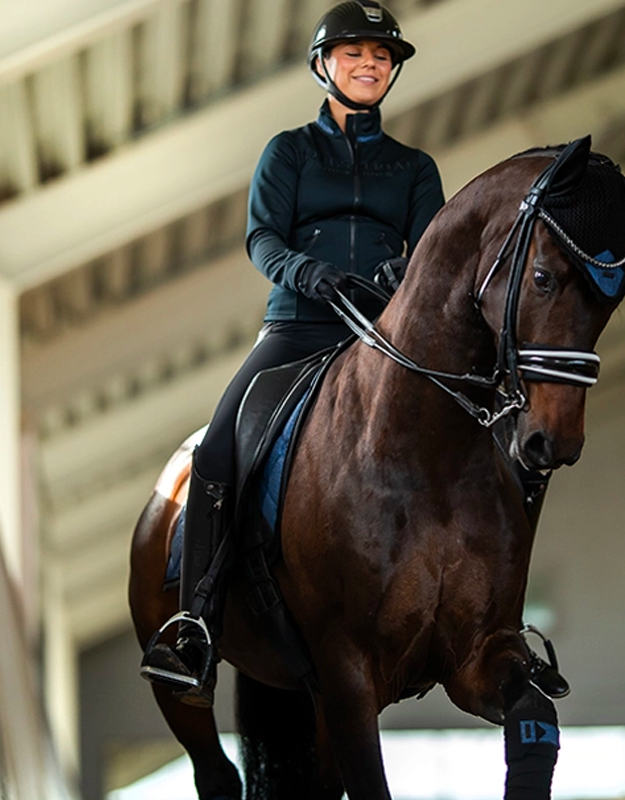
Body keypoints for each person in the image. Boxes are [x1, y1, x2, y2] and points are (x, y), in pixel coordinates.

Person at [140, 0, 446, 706]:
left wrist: (402, 278)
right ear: (323, 66)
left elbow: (431, 251)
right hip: (298, 326)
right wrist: (306, 272)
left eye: (381, 56)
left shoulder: (415, 167)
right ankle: (197, 623)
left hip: (380, 333)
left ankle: (487, 614)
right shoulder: (287, 152)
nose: (369, 64)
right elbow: (261, 237)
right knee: (218, 450)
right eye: (354, 54)